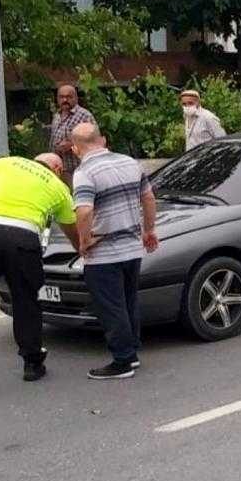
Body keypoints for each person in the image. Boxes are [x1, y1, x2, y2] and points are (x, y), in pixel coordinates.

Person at [0, 153, 80, 397]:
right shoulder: (58, 187)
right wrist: (85, 253)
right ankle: (32, 363)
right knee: (27, 303)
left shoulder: (4, 163)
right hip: (24, 240)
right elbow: (72, 231)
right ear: (58, 169)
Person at [70, 122, 159, 380]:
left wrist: (84, 240)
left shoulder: (84, 172)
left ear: (76, 148)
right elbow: (149, 198)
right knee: (129, 300)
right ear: (103, 140)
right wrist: (149, 230)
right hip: (132, 248)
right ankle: (132, 352)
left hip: (105, 252)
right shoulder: (130, 163)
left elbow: (84, 210)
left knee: (111, 306)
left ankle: (122, 361)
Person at [49, 84, 95, 185]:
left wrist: (72, 145)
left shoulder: (84, 115)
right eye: (62, 97)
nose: (65, 100)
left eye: (69, 97)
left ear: (76, 98)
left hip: (78, 170)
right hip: (59, 169)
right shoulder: (57, 116)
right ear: (57, 98)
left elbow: (94, 140)